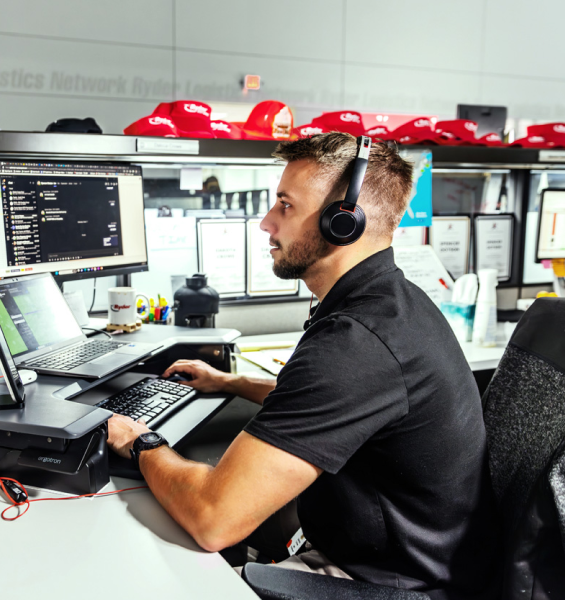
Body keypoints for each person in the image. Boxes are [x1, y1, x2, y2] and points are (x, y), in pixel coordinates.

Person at [106, 133, 498, 600]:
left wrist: (140, 441)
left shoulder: (357, 342)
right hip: (404, 555)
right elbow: (328, 411)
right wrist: (230, 382)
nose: (266, 223)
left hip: (386, 582)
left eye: (285, 206)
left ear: (344, 221)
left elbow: (214, 519)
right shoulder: (390, 302)